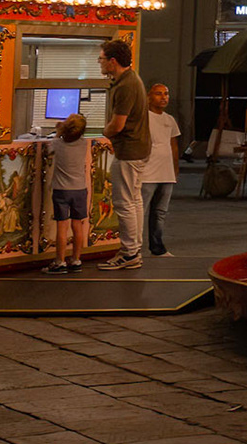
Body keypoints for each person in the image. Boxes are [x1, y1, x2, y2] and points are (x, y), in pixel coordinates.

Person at [98, 38, 150, 270]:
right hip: (138, 149)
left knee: (124, 203)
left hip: (129, 150)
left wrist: (104, 132)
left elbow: (118, 124)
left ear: (113, 61)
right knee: (135, 201)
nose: (99, 63)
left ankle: (129, 253)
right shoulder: (131, 79)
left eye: (101, 59)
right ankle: (134, 249)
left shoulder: (126, 85)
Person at [44, 113, 91, 273]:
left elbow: (49, 150)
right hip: (80, 189)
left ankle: (60, 261)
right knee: (77, 225)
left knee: (62, 226)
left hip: (61, 190)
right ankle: (76, 259)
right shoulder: (83, 143)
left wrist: (58, 132)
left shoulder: (57, 143)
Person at [142, 84, 181, 257]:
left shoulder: (169, 120)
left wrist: (175, 167)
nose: (164, 97)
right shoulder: (143, 118)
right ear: (149, 96)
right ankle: (133, 248)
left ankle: (157, 247)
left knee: (160, 212)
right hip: (147, 173)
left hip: (166, 173)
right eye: (159, 94)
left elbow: (173, 145)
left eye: (166, 93)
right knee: (140, 211)